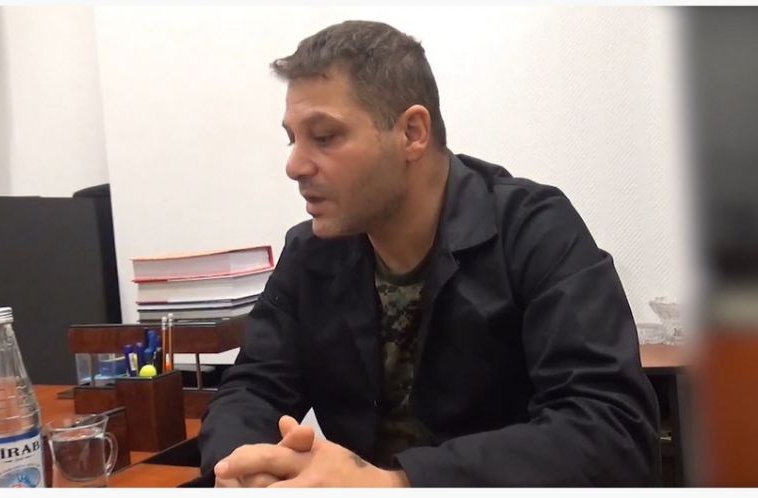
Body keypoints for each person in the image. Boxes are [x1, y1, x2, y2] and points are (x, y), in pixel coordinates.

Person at [198, 20, 660, 487]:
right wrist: (244, 468)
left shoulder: (534, 230)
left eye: (325, 136)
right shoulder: (310, 254)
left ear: (412, 133)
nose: (294, 165)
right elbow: (250, 390)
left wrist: (397, 484)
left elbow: (611, 431)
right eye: (292, 138)